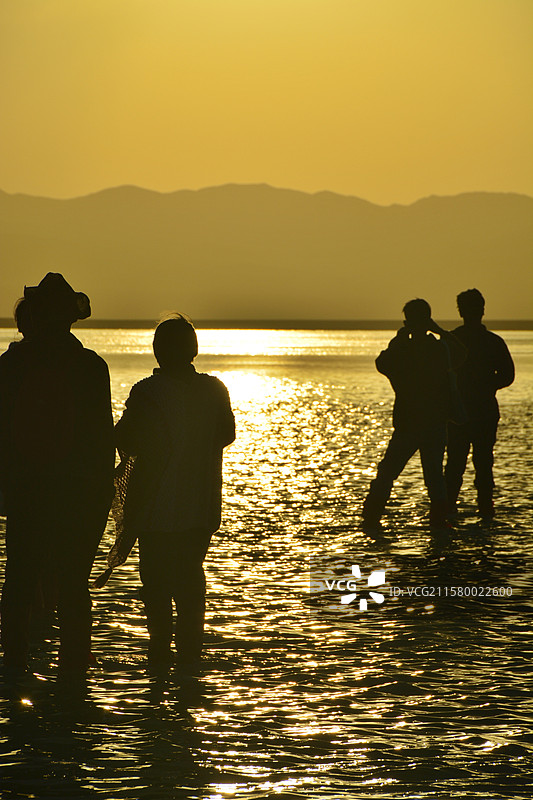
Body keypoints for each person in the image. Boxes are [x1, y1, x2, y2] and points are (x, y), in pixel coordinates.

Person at [0, 273, 115, 675]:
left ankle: (13, 667)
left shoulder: (11, 364)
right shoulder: (90, 366)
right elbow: (103, 440)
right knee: (72, 586)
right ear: (71, 318)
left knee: (19, 582)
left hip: (25, 491)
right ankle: (73, 672)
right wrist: (103, 494)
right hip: (77, 494)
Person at [114, 314, 235, 668]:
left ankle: (159, 654)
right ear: (192, 350)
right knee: (191, 579)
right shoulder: (214, 389)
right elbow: (227, 435)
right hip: (201, 506)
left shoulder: (147, 392)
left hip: (154, 506)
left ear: (157, 351)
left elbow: (124, 437)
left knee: (155, 583)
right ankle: (189, 657)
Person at [362, 298, 465, 530]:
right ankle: (439, 520)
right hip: (432, 422)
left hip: (409, 423)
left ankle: (371, 516)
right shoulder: (439, 349)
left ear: (407, 321)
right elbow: (462, 353)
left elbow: (382, 362)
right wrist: (440, 331)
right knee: (434, 476)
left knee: (388, 471)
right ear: (428, 320)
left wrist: (399, 339)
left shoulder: (405, 350)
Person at [444, 289, 515, 519]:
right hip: (473, 411)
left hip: (466, 412)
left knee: (458, 464)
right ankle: (483, 509)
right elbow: (507, 376)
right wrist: (487, 385)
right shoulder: (491, 341)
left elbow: (506, 375)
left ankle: (452, 510)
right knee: (480, 463)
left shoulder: (452, 341)